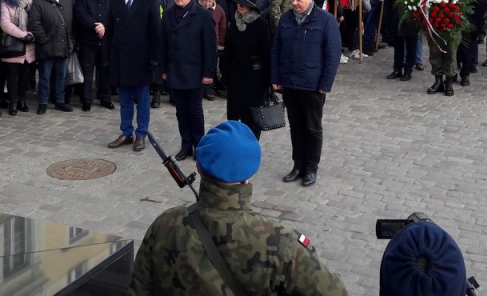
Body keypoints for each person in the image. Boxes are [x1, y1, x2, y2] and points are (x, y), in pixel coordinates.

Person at [130, 120, 347, 295]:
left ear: (198, 166)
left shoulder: (165, 225)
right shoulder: (279, 241)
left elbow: (139, 289)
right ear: (251, 171)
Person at [271, 0, 341, 187]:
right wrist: (275, 78)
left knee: (312, 127)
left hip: (312, 84)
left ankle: (311, 168)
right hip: (290, 83)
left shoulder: (326, 21)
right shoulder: (285, 19)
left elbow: (332, 55)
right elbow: (276, 50)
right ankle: (298, 165)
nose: (294, 3)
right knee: (296, 127)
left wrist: (325, 84)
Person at [103, 0, 161, 151]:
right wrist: (106, 56)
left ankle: (141, 134)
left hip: (142, 57)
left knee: (143, 100)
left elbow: (155, 30)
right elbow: (109, 29)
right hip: (121, 56)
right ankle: (126, 132)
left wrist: (154, 56)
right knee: (125, 99)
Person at [160, 0, 217, 161]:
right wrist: (163, 69)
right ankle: (186, 145)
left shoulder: (203, 15)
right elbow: (163, 45)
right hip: (175, 69)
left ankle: (199, 145)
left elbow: (210, 46)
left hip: (195, 71)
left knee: (194, 110)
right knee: (181, 111)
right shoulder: (168, 14)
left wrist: (209, 73)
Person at [222, 0, 272, 139]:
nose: (240, 6)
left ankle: (250, 147)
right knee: (234, 115)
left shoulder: (261, 24)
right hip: (236, 76)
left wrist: (268, 81)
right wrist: (224, 74)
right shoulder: (234, 22)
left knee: (252, 118)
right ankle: (236, 145)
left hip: (254, 78)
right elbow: (228, 50)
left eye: (243, 3)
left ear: (251, 6)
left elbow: (266, 54)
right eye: (238, 3)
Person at [426, 0, 473, 96]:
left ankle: (448, 82)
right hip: (435, 20)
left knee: (451, 52)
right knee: (435, 51)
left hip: (452, 19)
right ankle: (437, 80)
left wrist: (454, 2)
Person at [27, 0, 75, 114]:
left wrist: (71, 39)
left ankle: (59, 101)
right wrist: (43, 39)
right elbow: (34, 23)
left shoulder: (68, 0)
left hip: (63, 44)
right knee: (44, 76)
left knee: (61, 76)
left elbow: (73, 20)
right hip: (46, 45)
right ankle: (42, 102)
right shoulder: (39, 1)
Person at [74, 0, 113, 111]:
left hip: (106, 39)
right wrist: (95, 25)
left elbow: (115, 15)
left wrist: (105, 26)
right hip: (88, 39)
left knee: (105, 70)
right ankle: (86, 100)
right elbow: (80, 14)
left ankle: (105, 98)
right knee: (87, 70)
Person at [0, 0, 36, 115]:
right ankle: (13, 102)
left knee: (25, 75)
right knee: (12, 75)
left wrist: (31, 35)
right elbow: (5, 23)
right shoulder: (6, 0)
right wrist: (23, 35)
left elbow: (37, 19)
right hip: (13, 43)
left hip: (29, 43)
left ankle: (22, 100)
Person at [384, 0, 419, 81]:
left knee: (411, 46)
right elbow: (388, 2)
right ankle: (397, 68)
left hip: (411, 20)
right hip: (396, 19)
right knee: (398, 46)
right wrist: (386, 19)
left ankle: (408, 70)